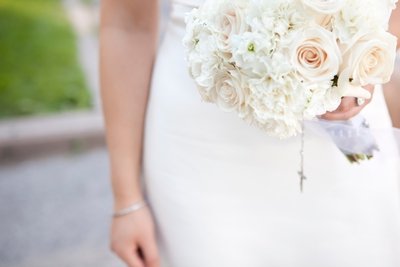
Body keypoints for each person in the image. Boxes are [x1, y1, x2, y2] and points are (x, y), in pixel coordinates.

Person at [99, 1, 400, 267]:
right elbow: (127, 24)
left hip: (342, 130)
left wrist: (363, 64)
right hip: (198, 153)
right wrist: (127, 199)